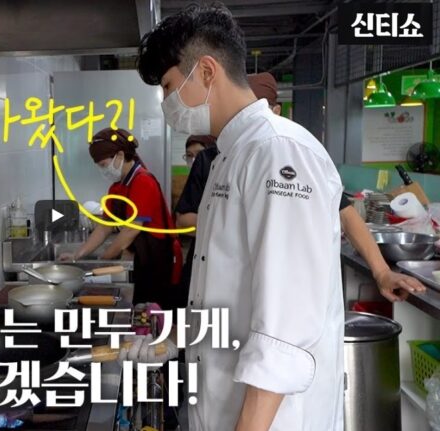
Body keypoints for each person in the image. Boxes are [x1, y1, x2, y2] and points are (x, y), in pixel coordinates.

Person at [127, 5, 344, 430]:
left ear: (207, 71)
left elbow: (286, 328)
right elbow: (224, 287)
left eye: (168, 87)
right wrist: (174, 338)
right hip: (221, 406)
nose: (168, 104)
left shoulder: (279, 153)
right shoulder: (229, 156)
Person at [175, 72, 426, 303]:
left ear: (276, 111)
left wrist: (382, 272)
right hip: (214, 278)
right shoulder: (214, 158)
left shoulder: (300, 153)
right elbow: (184, 218)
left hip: (274, 289)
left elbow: (345, 213)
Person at [59, 128, 182, 307]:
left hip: (158, 258)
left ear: (120, 155)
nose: (103, 170)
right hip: (142, 256)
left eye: (103, 165)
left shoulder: (143, 182)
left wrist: (102, 262)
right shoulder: (117, 187)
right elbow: (105, 226)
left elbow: (131, 230)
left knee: (154, 311)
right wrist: (77, 255)